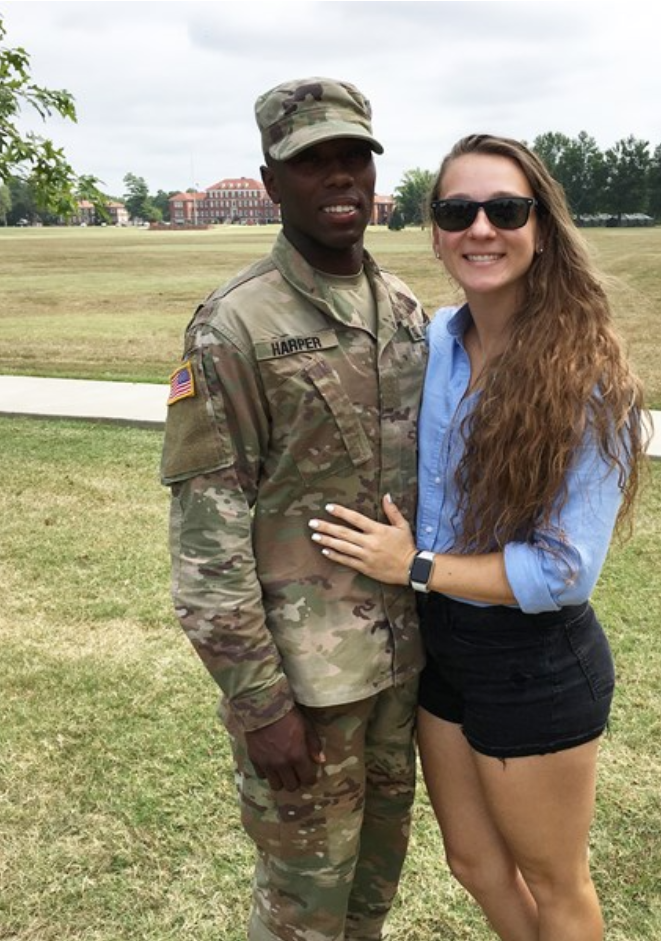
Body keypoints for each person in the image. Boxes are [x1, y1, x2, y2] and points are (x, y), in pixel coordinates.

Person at [307, 133, 649, 941]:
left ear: (541, 227)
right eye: (457, 211)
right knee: (473, 863)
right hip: (444, 647)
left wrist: (413, 565)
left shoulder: (590, 377)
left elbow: (564, 570)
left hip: (533, 659)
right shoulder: (434, 344)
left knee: (553, 879)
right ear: (434, 230)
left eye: (505, 209)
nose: (480, 228)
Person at [159, 77, 428, 941]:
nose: (339, 178)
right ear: (272, 182)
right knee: (301, 910)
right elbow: (208, 543)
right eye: (313, 162)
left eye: (353, 157)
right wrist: (259, 703)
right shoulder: (233, 328)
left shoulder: (408, 314)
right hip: (305, 688)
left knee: (369, 896)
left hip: (400, 668)